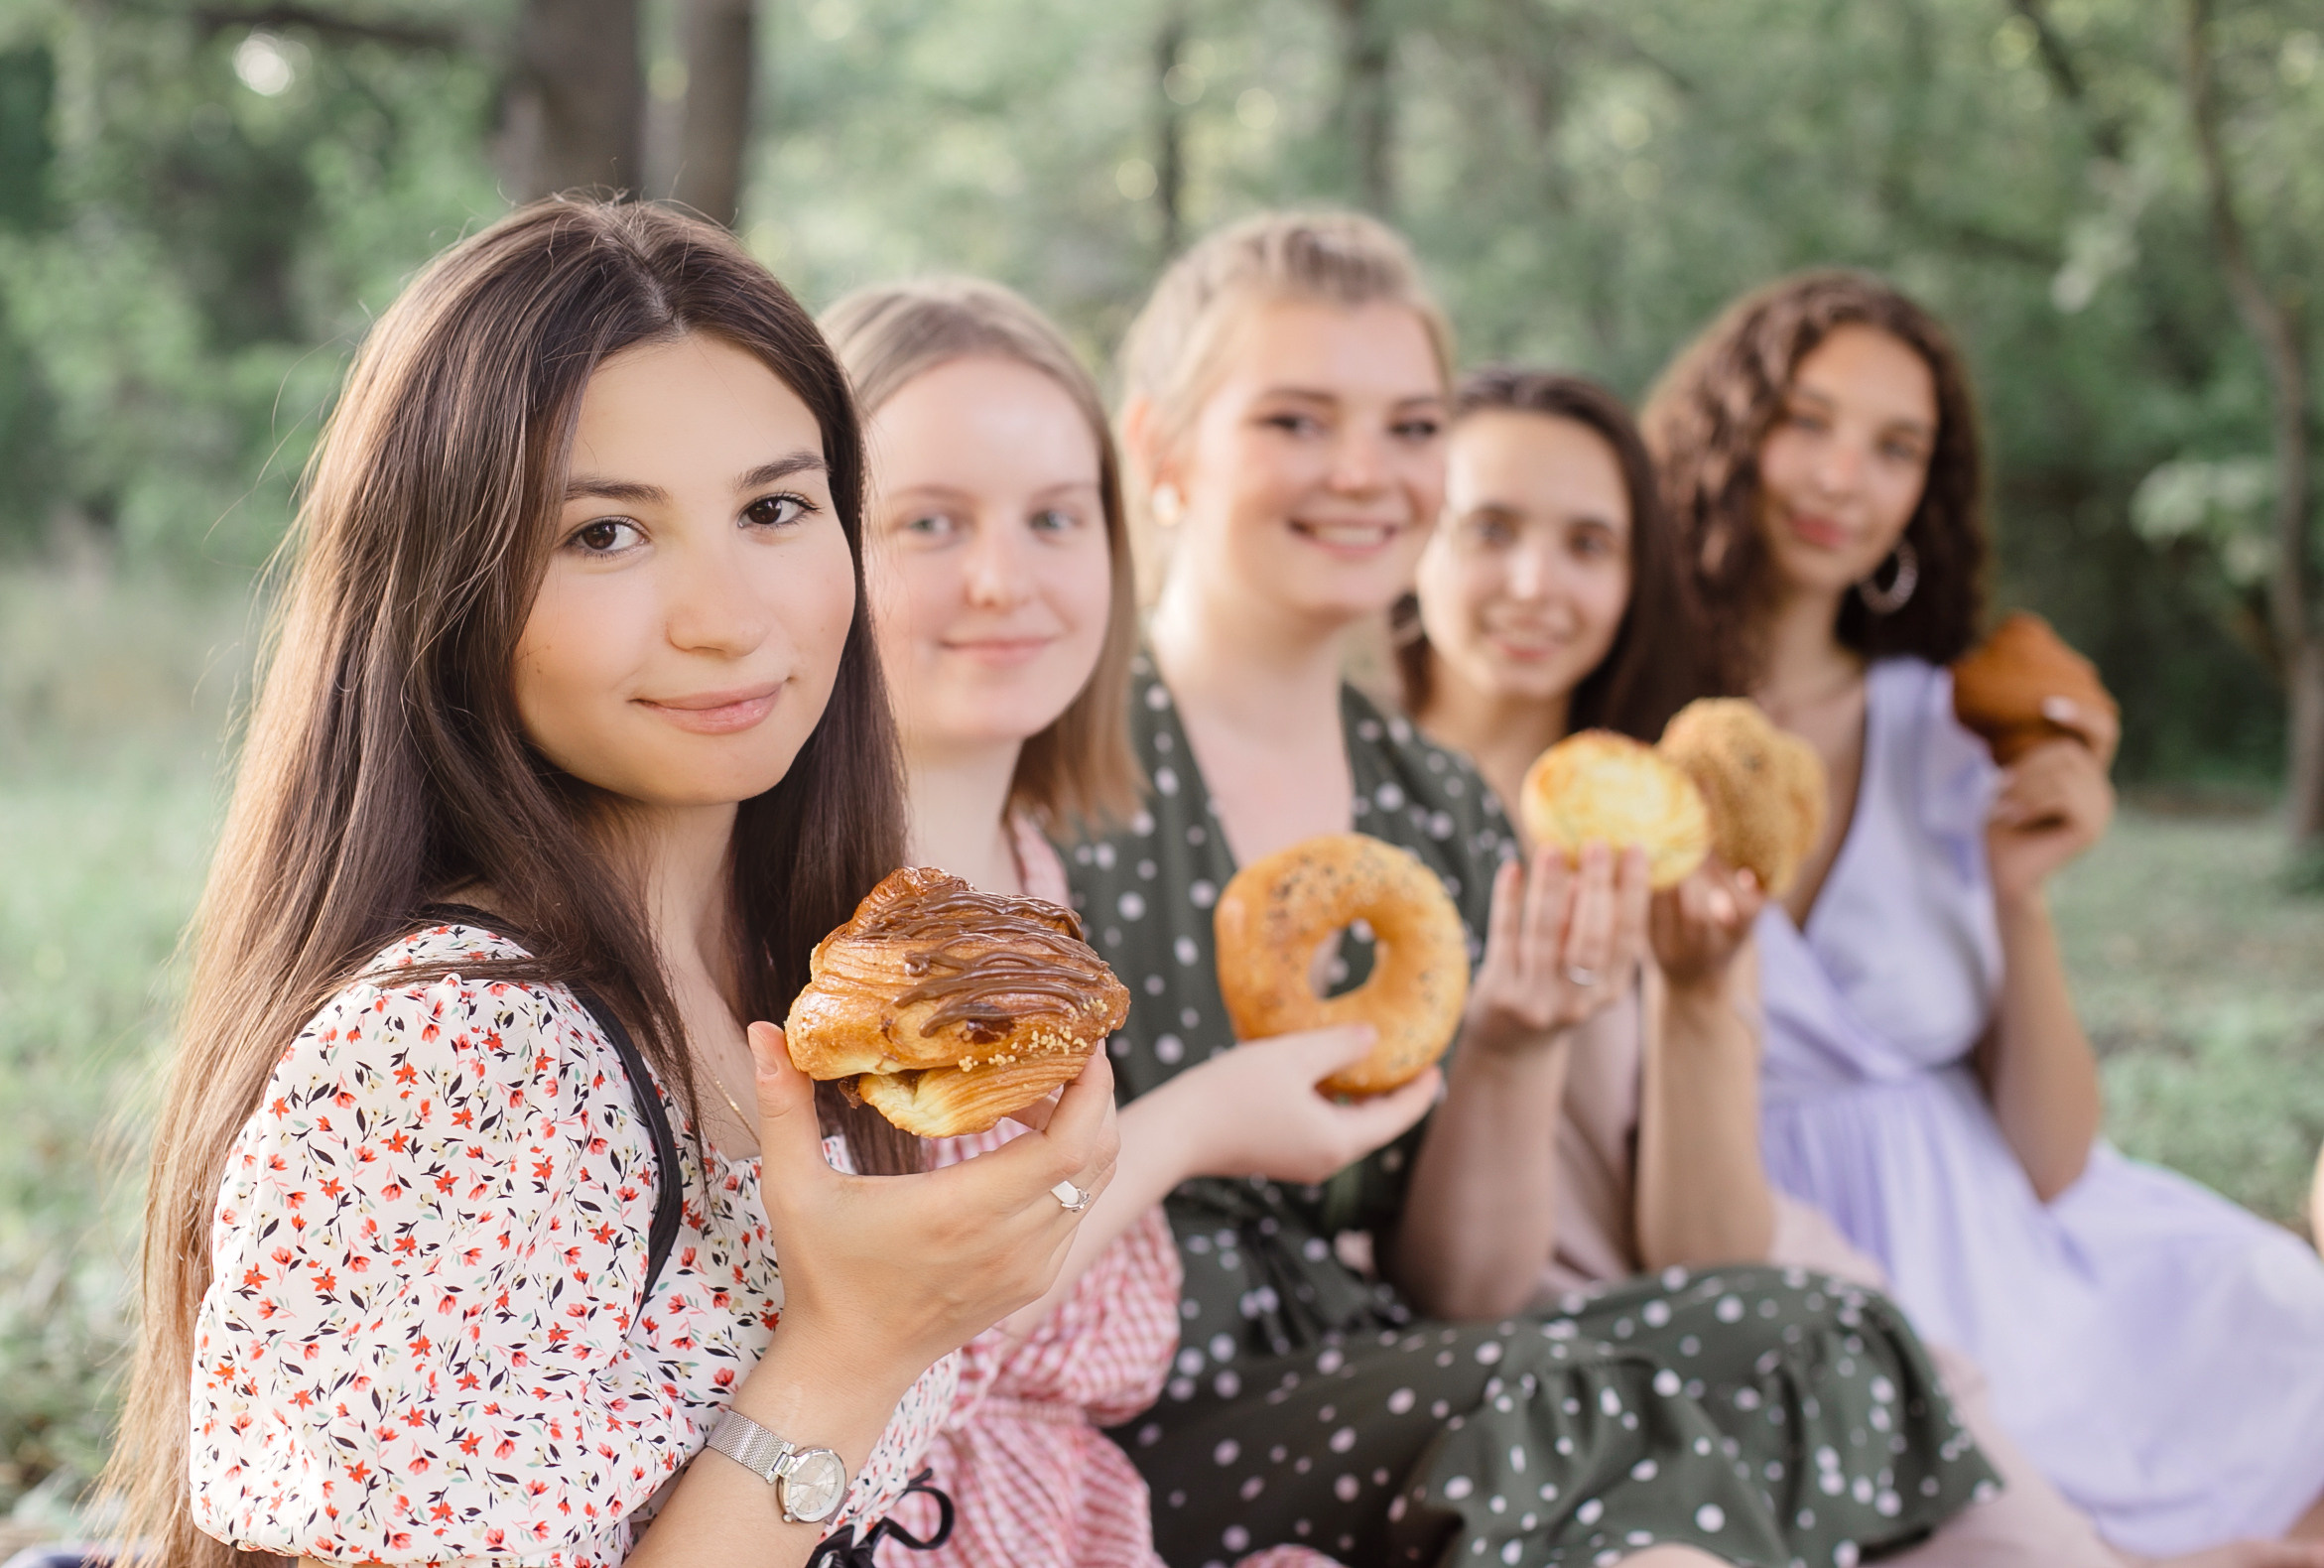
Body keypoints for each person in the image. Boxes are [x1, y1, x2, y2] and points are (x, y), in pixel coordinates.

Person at [102, 200, 1118, 1568]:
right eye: (603, 535)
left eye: (773, 508)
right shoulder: (446, 1061)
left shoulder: (796, 966)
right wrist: (853, 1352)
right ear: (444, 592)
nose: (726, 616)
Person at [1071, 209, 1998, 1568]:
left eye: (1408, 426)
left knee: (1819, 1336)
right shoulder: (1064, 745)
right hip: (1126, 1408)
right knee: (1542, 1412)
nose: (1364, 474)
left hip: (1375, 1375)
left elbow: (1461, 1290)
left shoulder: (1436, 806)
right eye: (1295, 421)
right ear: (1158, 450)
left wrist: (1512, 1047)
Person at [1407, 364, 2294, 1568]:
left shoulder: (1666, 833)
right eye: (1490, 528)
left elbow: (1711, 1251)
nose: (1535, 584)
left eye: (1586, 544)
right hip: (1566, 1360)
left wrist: (1700, 991)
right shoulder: (1363, 805)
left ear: (1634, 574)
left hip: (1780, 1307)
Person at [1640, 269, 2324, 1561]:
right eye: (1808, 420)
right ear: (1727, 431)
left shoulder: (1947, 734)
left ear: (1922, 496)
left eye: (1895, 447)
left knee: (2280, 1344)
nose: (1844, 474)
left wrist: (2020, 901)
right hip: (1795, 1268)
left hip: (2027, 1258)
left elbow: (2054, 1159)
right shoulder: (1624, 741)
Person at [829, 275, 1440, 1568]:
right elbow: (899, 1323)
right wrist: (1205, 1124)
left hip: (1083, 1503)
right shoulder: (824, 924)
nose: (1004, 580)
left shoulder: (1040, 855)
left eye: (1055, 518)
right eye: (930, 523)